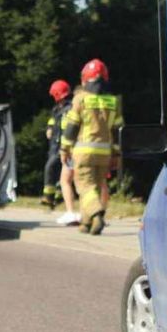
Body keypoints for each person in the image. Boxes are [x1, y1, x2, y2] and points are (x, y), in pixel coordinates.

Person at [60, 60, 123, 235]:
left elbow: (72, 126)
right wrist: (117, 154)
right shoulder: (113, 101)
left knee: (84, 187)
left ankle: (96, 214)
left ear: (85, 79)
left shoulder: (80, 99)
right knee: (94, 187)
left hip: (83, 152)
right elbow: (118, 130)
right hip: (105, 153)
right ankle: (86, 223)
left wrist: (64, 149)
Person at [41, 80, 78, 225]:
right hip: (55, 146)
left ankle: (49, 196)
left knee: (51, 167)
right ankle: (55, 196)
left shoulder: (69, 108)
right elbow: (52, 121)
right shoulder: (57, 109)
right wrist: (49, 128)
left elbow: (69, 127)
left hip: (64, 147)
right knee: (58, 172)